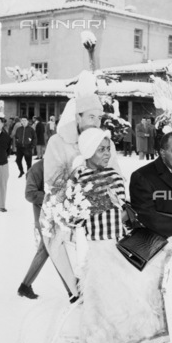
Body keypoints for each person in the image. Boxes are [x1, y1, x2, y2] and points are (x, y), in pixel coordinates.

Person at [74, 127, 172, 343]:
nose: (106, 153)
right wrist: (105, 210)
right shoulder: (79, 179)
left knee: (160, 263)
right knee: (119, 288)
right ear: (88, 152)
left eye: (108, 148)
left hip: (123, 241)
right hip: (100, 246)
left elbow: (124, 211)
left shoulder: (115, 176)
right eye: (101, 149)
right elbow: (78, 216)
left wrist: (129, 213)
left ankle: (162, 334)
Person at [43, 93, 122, 300]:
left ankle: (100, 287)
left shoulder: (106, 141)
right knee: (58, 240)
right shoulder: (58, 142)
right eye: (91, 117)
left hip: (101, 203)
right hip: (64, 204)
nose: (96, 122)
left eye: (99, 118)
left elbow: (116, 174)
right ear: (78, 117)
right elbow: (52, 180)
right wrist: (78, 183)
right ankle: (75, 290)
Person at [17, 160, 72, 300]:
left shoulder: (61, 167)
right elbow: (29, 194)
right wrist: (51, 198)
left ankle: (25, 286)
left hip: (58, 215)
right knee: (53, 249)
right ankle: (71, 290)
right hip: (42, 216)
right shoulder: (36, 168)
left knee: (48, 249)